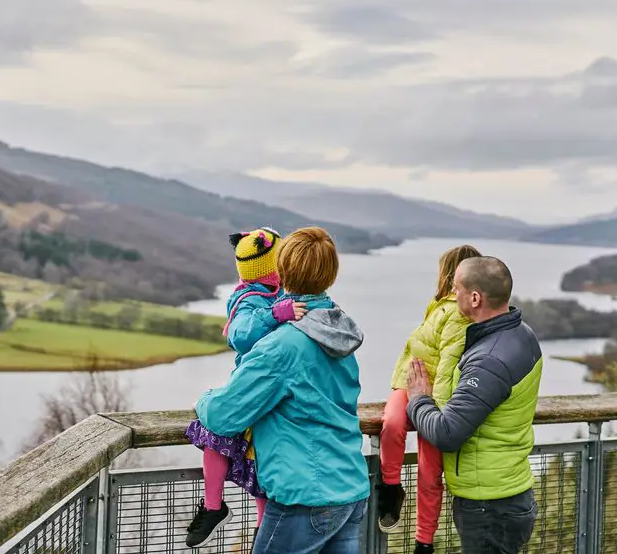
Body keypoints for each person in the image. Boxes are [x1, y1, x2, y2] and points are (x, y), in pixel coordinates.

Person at [195, 227, 369, 554]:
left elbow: (222, 415)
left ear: (282, 270)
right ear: (330, 273)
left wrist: (203, 399)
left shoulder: (281, 346)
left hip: (304, 498)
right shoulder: (339, 329)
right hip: (351, 488)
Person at [405, 256, 543, 554]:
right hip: (510, 492)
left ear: (475, 297)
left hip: (489, 505)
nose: (453, 296)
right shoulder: (522, 334)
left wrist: (418, 399)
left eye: (456, 289)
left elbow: (448, 433)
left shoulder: (490, 360)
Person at [184, 227, 307, 548]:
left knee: (261, 458)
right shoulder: (249, 298)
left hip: (275, 388)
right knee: (214, 432)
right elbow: (239, 335)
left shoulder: (280, 292)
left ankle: (259, 532)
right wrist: (275, 314)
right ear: (273, 264)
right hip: (253, 383)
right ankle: (213, 505)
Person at [378, 244, 482, 552]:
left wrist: (433, 409)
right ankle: (390, 487)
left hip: (435, 398)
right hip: (409, 384)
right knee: (392, 425)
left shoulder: (461, 316)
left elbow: (449, 365)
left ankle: (424, 541)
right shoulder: (439, 305)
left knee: (429, 471)